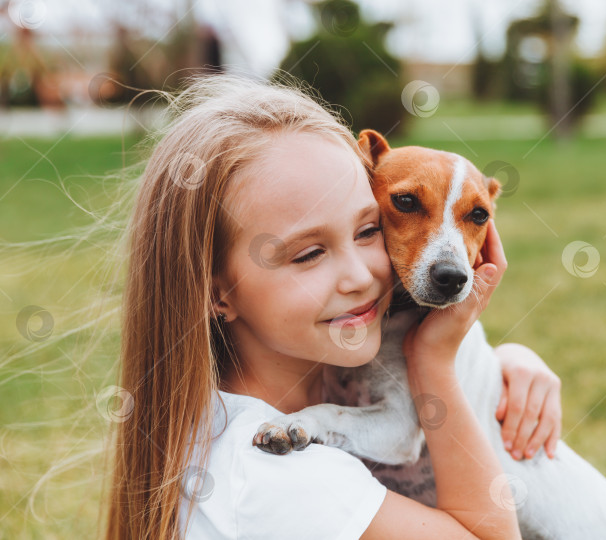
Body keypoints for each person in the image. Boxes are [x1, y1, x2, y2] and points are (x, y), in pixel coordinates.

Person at [103, 73, 562, 540]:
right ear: (216, 292)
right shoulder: (285, 476)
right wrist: (435, 359)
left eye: (368, 231)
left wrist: (502, 362)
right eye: (308, 254)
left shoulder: (216, 417)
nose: (362, 277)